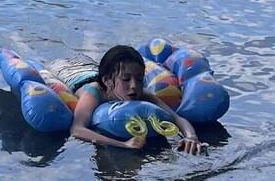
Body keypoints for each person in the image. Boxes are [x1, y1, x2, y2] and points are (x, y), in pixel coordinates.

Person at [69, 43, 207, 156]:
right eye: (126, 79)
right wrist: (122, 144)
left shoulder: (142, 93)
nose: (134, 86)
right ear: (107, 81)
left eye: (139, 79)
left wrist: (191, 137)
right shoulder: (93, 93)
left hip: (99, 71)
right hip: (74, 73)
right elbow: (77, 129)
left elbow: (177, 118)